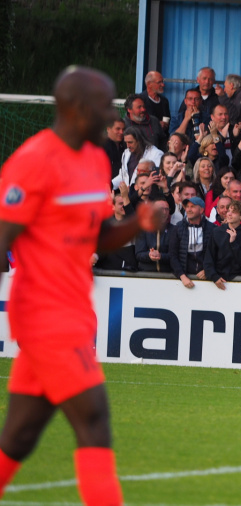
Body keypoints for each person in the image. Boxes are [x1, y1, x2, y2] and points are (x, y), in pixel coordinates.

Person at [0, 66, 165, 503]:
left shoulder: (95, 160)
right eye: (103, 107)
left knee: (18, 438)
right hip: (44, 315)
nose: (112, 118)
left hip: (73, 309)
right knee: (94, 421)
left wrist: (137, 223)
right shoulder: (32, 163)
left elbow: (97, 236)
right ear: (75, 109)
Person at [204, 200, 241, 290]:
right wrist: (214, 277)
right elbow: (209, 257)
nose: (229, 214)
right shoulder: (217, 232)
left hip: (239, 281)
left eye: (234, 212)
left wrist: (233, 243)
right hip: (217, 281)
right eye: (229, 211)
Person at [134, 196, 174, 273]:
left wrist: (160, 256)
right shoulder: (143, 229)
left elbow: (175, 255)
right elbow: (138, 254)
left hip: (168, 275)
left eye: (167, 209)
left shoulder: (174, 230)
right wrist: (149, 255)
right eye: (161, 209)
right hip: (146, 274)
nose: (164, 212)